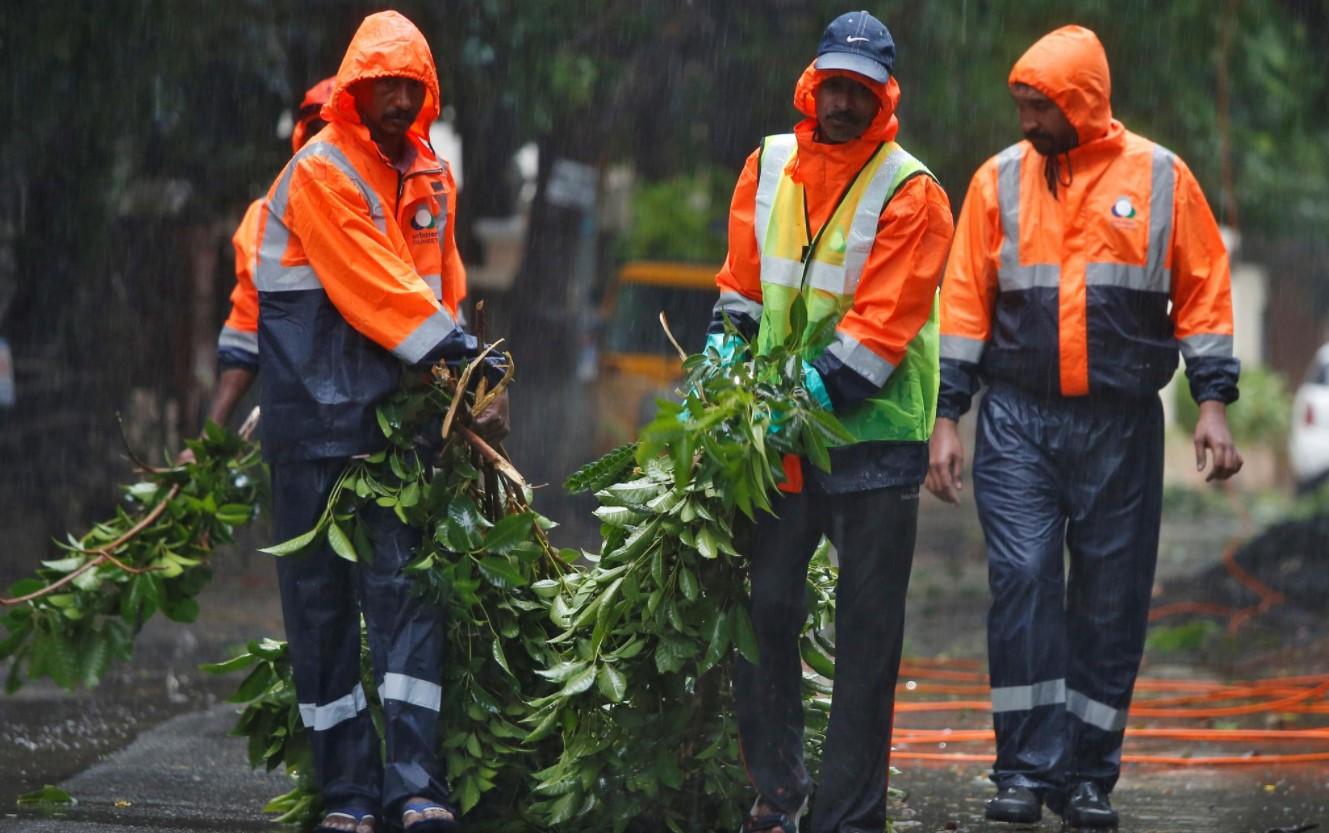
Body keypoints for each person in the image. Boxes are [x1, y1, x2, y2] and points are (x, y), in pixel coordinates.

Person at [926, 25, 1243, 828]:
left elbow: (1203, 291)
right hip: (1017, 425)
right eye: (1020, 105)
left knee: (1109, 602)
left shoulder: (1162, 179)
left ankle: (1087, 776)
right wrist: (945, 417)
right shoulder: (996, 182)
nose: (1026, 120)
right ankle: (1024, 772)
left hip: (1120, 426)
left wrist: (1211, 404)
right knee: (1025, 582)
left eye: (1040, 106)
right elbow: (963, 304)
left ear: (1081, 103)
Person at [708, 11, 953, 833]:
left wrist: (795, 397)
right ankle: (777, 793)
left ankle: (848, 817)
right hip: (781, 441)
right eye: (831, 85)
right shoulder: (768, 165)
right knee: (764, 606)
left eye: (858, 89)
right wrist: (721, 352)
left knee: (865, 639)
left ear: (884, 96)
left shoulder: (913, 191)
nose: (841, 103)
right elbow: (743, 286)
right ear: (810, 83)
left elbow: (878, 331)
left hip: (875, 439)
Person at [255, 11, 500, 833]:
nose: (396, 97)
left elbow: (441, 282)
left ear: (428, 91)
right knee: (322, 616)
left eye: (410, 84)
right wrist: (460, 353)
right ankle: (349, 794)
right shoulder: (321, 170)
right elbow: (375, 286)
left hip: (397, 432)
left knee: (410, 606)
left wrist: (466, 395)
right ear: (353, 88)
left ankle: (415, 788)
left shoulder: (432, 177)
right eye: (380, 84)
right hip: (315, 426)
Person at [208, 77, 335, 430]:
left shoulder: (395, 210)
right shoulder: (264, 222)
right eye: (318, 133)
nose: (327, 148)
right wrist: (210, 440)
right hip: (296, 429)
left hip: (381, 426)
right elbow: (246, 330)